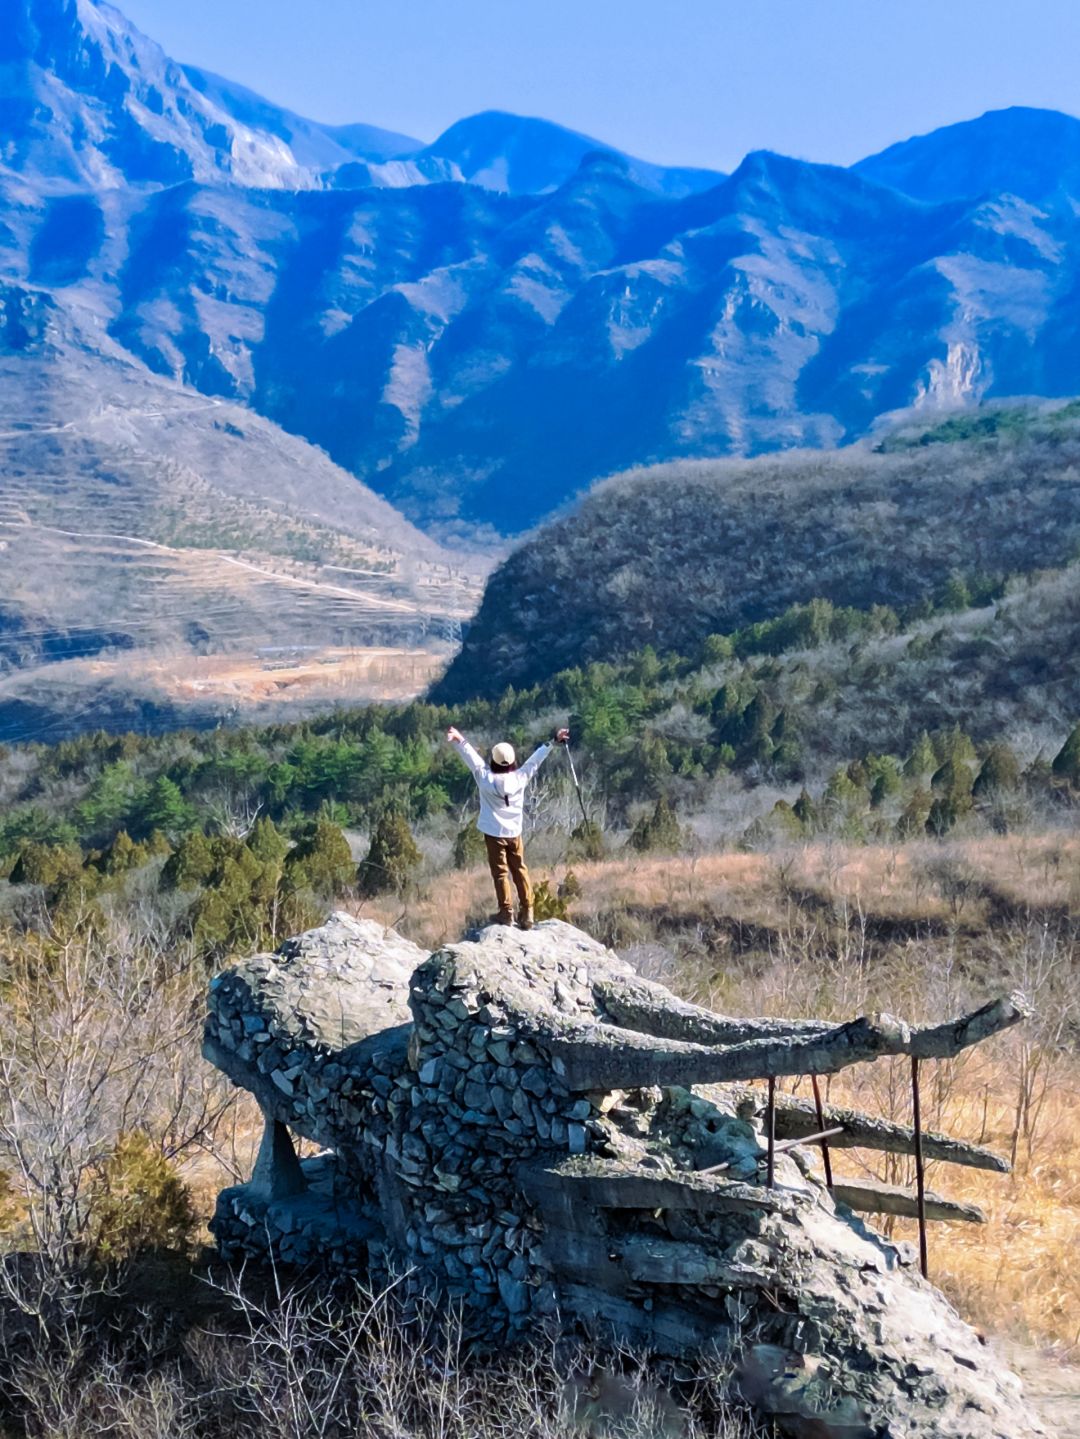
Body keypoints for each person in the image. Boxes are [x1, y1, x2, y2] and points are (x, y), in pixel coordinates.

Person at [447, 724, 569, 929]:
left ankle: (506, 912)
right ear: (513, 762)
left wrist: (460, 739)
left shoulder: (485, 778)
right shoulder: (520, 778)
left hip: (494, 834)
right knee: (520, 870)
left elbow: (472, 759)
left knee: (501, 873)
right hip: (515, 833)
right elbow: (535, 761)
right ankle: (528, 911)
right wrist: (553, 742)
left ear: (493, 761)